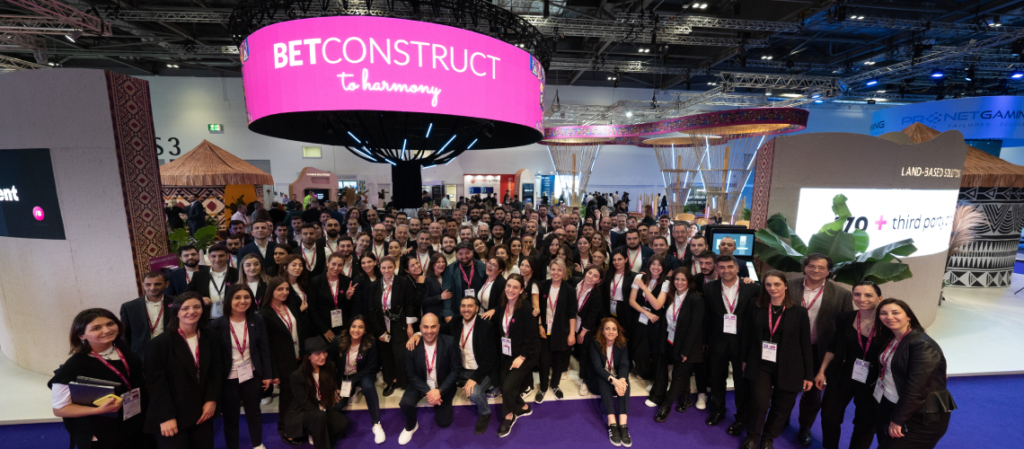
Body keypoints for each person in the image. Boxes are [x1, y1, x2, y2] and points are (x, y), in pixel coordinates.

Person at [50, 308, 146, 449]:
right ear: (81, 335)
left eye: (110, 324)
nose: (106, 330)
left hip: (133, 424)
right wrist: (98, 410)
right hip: (101, 433)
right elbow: (59, 409)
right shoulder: (75, 365)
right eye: (96, 328)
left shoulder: (122, 348)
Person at [740, 270, 814, 449]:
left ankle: (768, 438)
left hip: (790, 365)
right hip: (760, 363)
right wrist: (744, 360)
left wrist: (808, 374)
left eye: (777, 284)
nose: (772, 288)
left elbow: (805, 344)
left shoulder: (799, 312)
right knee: (759, 403)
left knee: (782, 406)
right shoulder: (755, 306)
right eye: (768, 284)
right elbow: (746, 335)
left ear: (786, 286)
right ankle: (752, 437)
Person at [815, 281, 892, 449]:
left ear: (880, 298)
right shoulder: (846, 317)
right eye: (857, 294)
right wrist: (821, 371)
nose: (861, 299)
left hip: (872, 380)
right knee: (829, 416)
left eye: (868, 295)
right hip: (842, 374)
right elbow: (834, 346)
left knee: (866, 423)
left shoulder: (888, 322)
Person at [873, 299, 956, 449]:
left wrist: (898, 419)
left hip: (920, 415)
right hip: (891, 405)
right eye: (883, 313)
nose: (889, 317)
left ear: (908, 316)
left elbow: (916, 389)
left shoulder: (921, 344)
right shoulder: (891, 338)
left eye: (895, 312)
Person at [144, 292, 223, 449]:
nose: (191, 311)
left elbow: (217, 370)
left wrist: (211, 399)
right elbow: (156, 384)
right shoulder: (159, 344)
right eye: (185, 308)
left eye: (196, 307)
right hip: (173, 413)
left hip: (202, 410)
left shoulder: (212, 337)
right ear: (176, 312)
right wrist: (166, 416)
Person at [791, 254, 855, 447]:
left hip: (819, 349)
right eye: (812, 266)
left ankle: (805, 427)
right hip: (790, 347)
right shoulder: (788, 286)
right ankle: (781, 420)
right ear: (805, 267)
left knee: (812, 393)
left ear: (828, 271)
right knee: (786, 387)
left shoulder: (842, 294)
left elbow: (845, 326)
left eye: (821, 267)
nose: (816, 270)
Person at [211, 285, 272, 449]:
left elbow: (264, 349)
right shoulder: (217, 324)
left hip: (252, 374)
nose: (243, 301)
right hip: (228, 378)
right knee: (231, 417)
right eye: (237, 297)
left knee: (254, 413)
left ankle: (257, 444)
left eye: (247, 297)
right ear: (229, 300)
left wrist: (267, 374)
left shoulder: (257, 320)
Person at [704, 254, 760, 433]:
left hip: (742, 344)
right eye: (721, 267)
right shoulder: (708, 288)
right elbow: (706, 317)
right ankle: (718, 410)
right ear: (716, 269)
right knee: (717, 379)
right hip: (717, 342)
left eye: (729, 267)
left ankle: (741, 418)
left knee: (741, 383)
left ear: (737, 268)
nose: (726, 270)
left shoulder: (752, 288)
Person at [648, 269, 705, 422]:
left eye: (683, 279)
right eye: (677, 279)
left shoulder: (696, 299)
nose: (679, 282)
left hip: (688, 345)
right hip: (671, 341)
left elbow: (695, 328)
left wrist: (686, 350)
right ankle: (686, 397)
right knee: (682, 372)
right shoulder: (671, 297)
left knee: (678, 375)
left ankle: (666, 405)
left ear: (689, 281)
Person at [398, 314, 462, 445]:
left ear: (438, 327)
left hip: (443, 386)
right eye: (425, 327)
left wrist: (439, 391)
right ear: (420, 328)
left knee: (444, 422)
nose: (429, 331)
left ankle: (437, 400)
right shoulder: (412, 345)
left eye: (433, 327)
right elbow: (411, 374)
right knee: (405, 403)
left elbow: (456, 370)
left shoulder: (449, 342)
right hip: (421, 383)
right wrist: (429, 391)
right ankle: (411, 426)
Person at [260, 277, 310, 444]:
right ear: (271, 291)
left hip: (298, 358)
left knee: (298, 395)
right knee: (287, 398)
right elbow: (266, 346)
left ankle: (297, 425)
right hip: (282, 363)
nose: (284, 292)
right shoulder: (264, 314)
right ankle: (285, 429)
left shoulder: (291, 306)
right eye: (280, 289)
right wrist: (273, 372)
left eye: (287, 289)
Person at [493, 274, 540, 438]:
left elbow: (531, 337)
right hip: (509, 352)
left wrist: (522, 357)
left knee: (508, 386)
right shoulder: (502, 304)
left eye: (515, 287)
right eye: (508, 286)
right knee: (502, 382)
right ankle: (523, 407)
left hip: (527, 354)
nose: (510, 290)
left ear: (521, 290)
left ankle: (508, 417)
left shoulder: (527, 309)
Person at [367, 256, 418, 396]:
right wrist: (379, 332)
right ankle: (391, 380)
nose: (387, 270)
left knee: (401, 355)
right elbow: (371, 310)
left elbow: (409, 305)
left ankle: (404, 381)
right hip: (382, 325)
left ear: (395, 267)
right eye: (383, 267)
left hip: (400, 324)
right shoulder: (374, 285)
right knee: (386, 355)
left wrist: (410, 325)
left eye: (390, 267)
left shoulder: (403, 281)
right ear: (379, 268)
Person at [287, 337, 350, 449]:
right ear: (308, 356)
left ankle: (316, 432)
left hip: (323, 404)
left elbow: (332, 383)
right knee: (319, 417)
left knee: (342, 424)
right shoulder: (297, 375)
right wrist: (320, 413)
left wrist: (334, 390)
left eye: (324, 352)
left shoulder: (330, 366)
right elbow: (305, 403)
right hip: (304, 410)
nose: (323, 356)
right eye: (317, 354)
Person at [335, 316, 386, 443]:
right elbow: (331, 364)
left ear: (365, 330)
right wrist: (334, 386)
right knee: (338, 404)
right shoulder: (337, 341)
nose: (356, 330)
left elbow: (371, 367)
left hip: (363, 374)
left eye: (360, 327)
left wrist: (353, 382)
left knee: (368, 386)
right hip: (343, 377)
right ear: (349, 328)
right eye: (353, 326)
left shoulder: (370, 343)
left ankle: (377, 424)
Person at [584, 317, 633, 447]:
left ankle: (623, 425)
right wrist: (614, 381)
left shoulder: (622, 344)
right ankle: (612, 424)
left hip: (615, 380)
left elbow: (624, 365)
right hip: (597, 381)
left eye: (613, 329)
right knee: (603, 380)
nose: (611, 331)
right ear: (602, 331)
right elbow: (598, 368)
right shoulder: (595, 343)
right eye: (607, 328)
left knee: (626, 382)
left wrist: (621, 381)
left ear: (617, 332)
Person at [536, 259, 577, 403]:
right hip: (544, 329)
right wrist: (539, 325)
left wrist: (572, 333)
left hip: (561, 330)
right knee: (544, 360)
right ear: (549, 270)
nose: (556, 272)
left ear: (564, 272)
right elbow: (537, 309)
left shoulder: (569, 290)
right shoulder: (542, 285)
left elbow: (572, 313)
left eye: (559, 270)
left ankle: (555, 385)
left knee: (559, 361)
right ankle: (543, 388)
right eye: (553, 269)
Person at [628, 255, 669, 381]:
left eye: (659, 265)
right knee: (640, 346)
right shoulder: (639, 277)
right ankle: (642, 372)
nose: (656, 267)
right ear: (648, 265)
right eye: (653, 264)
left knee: (654, 347)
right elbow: (632, 301)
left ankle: (655, 375)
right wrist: (646, 313)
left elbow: (657, 305)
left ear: (663, 267)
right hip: (642, 316)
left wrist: (644, 287)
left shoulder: (666, 283)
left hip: (656, 319)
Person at [120, 271, 172, 361]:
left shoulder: (177, 303)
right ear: (143, 285)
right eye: (148, 285)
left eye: (157, 284)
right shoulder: (129, 307)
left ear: (166, 284)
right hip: (141, 354)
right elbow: (125, 334)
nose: (152, 288)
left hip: (170, 351)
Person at [309, 253, 357, 344]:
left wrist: (348, 298)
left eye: (340, 265)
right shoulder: (315, 282)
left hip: (342, 326)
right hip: (323, 327)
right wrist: (324, 330)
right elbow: (312, 309)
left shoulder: (347, 281)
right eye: (333, 264)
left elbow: (348, 308)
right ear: (327, 263)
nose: (336, 268)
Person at [187, 244, 238, 320]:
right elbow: (187, 294)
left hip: (231, 316)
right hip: (207, 318)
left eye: (221, 256)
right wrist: (200, 298)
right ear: (208, 257)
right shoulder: (199, 275)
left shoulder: (237, 273)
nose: (217, 259)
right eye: (213, 256)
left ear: (227, 256)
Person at [441, 242, 487, 320]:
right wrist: (448, 313)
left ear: (472, 252)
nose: (464, 256)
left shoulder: (481, 266)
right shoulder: (450, 269)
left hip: (479, 310)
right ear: (456, 254)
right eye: (460, 254)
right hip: (459, 310)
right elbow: (447, 293)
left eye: (467, 253)